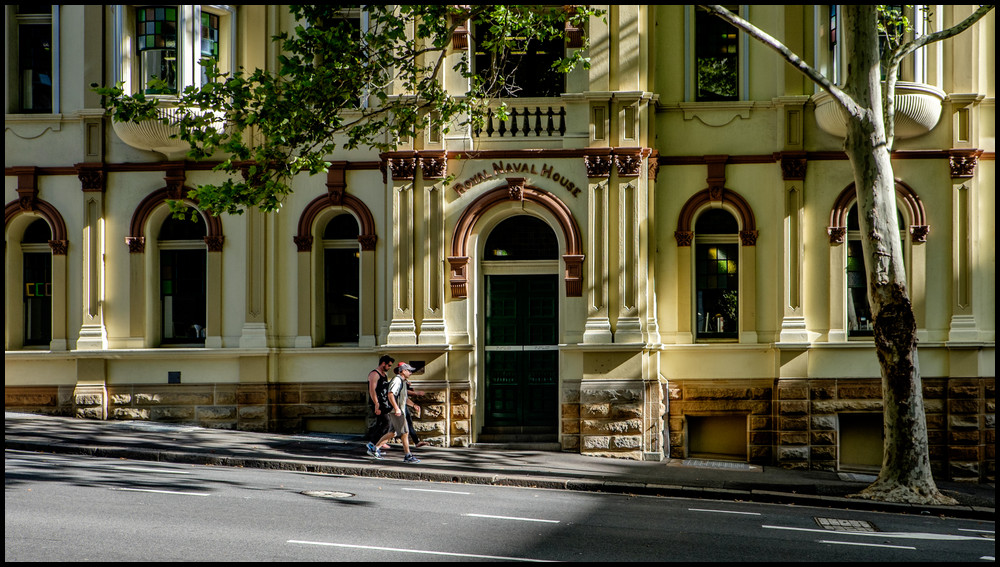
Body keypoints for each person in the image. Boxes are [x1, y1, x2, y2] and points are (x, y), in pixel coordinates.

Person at [370, 362, 420, 463]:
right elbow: (391, 394)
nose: (410, 373)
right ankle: (408, 455)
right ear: (403, 371)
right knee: (405, 432)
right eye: (409, 371)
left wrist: (413, 405)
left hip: (397, 411)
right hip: (396, 412)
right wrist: (397, 408)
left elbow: (404, 398)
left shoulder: (403, 381)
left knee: (393, 433)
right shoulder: (397, 380)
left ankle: (375, 448)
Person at [363, 355, 393, 455]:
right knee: (386, 422)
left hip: (384, 403)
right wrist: (376, 404)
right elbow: (372, 390)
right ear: (383, 363)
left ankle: (377, 444)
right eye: (388, 365)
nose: (389, 367)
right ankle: (372, 443)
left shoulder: (383, 375)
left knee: (381, 423)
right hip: (378, 403)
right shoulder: (374, 374)